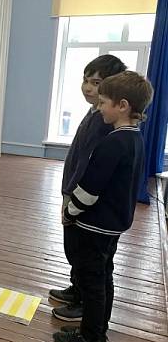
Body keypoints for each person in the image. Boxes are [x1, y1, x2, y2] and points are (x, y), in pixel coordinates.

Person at [53, 71, 153, 342]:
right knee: (103, 277)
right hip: (113, 225)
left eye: (103, 103)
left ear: (122, 106)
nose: (99, 108)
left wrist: (71, 211)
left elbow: (91, 188)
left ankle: (90, 338)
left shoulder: (113, 142)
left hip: (94, 226)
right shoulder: (135, 139)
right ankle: (98, 332)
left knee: (92, 282)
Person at [49, 55, 126, 323]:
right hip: (72, 191)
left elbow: (90, 166)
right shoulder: (94, 112)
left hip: (82, 198)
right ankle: (77, 288)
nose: (88, 88)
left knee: (83, 253)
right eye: (86, 80)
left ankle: (84, 301)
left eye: (96, 83)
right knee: (73, 248)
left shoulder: (105, 122)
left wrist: (73, 200)